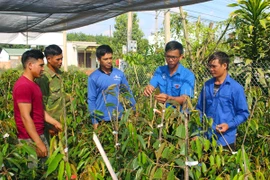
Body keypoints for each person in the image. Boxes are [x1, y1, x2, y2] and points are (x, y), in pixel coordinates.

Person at [13, 49, 62, 168]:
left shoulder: (33, 84)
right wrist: (39, 143)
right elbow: (25, 117)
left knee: (44, 170)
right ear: (30, 65)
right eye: (40, 65)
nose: (43, 69)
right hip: (29, 138)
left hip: (38, 134)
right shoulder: (23, 86)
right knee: (33, 172)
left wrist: (55, 122)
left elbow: (39, 110)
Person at [196, 51, 249, 151]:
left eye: (214, 66)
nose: (211, 69)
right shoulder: (206, 86)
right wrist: (197, 132)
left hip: (225, 140)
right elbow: (199, 109)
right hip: (205, 138)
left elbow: (243, 113)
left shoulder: (235, 88)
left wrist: (229, 125)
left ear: (224, 65)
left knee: (225, 166)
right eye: (210, 66)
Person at [87, 45, 136, 129]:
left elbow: (127, 92)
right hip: (102, 119)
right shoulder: (93, 77)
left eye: (110, 58)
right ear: (99, 60)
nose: (109, 61)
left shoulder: (119, 74)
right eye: (105, 59)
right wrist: (94, 120)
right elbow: (91, 99)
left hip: (119, 117)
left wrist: (134, 108)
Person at [143, 40, 195, 107]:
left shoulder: (188, 75)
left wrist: (169, 99)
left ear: (181, 57)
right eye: (168, 56)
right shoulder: (160, 71)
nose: (170, 60)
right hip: (162, 114)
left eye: (174, 57)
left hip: (180, 115)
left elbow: (185, 99)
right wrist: (149, 89)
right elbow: (152, 85)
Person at [36, 44, 67, 140]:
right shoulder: (44, 77)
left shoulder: (60, 75)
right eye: (58, 59)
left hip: (62, 122)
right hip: (51, 125)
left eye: (61, 59)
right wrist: (48, 125)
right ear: (49, 59)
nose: (61, 62)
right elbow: (41, 104)